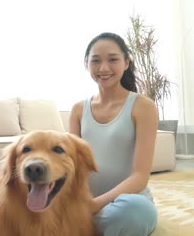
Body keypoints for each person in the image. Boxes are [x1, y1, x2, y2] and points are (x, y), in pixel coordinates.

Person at [69, 32, 158, 236]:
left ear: (126, 63)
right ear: (87, 64)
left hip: (125, 203)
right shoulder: (77, 110)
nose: (104, 68)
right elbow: (73, 167)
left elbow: (140, 176)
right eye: (96, 61)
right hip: (85, 201)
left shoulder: (143, 106)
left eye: (113, 59)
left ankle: (89, 226)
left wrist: (93, 206)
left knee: (136, 212)